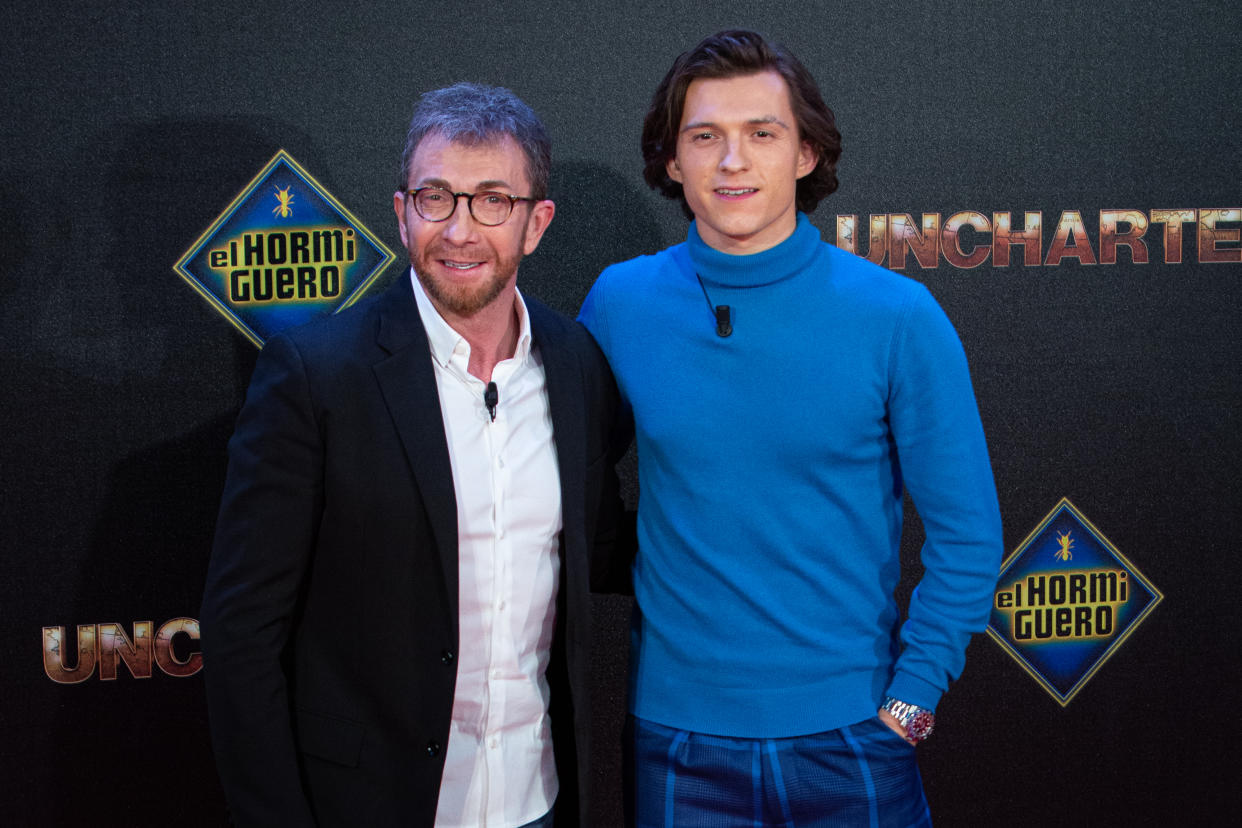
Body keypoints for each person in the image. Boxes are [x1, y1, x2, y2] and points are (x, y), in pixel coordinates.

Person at [579, 30, 1002, 826]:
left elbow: (968, 533)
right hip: (676, 740)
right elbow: (557, 480)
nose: (732, 161)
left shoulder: (897, 317)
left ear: (806, 154)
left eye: (761, 134)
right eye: (705, 137)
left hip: (853, 738)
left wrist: (910, 702)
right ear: (673, 162)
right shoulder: (620, 303)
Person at [201, 82, 623, 828]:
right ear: (402, 214)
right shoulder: (316, 374)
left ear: (537, 223)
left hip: (539, 800)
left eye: (493, 200)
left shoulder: (577, 362)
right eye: (437, 197)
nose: (460, 230)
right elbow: (243, 639)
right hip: (370, 806)